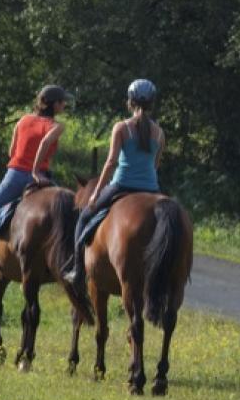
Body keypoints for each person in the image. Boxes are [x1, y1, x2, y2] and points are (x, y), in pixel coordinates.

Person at [62, 79, 165, 289]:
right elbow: (155, 165)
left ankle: (78, 271)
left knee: (84, 219)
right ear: (152, 103)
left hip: (122, 185)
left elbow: (110, 162)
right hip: (152, 189)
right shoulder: (159, 133)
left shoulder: (122, 127)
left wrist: (96, 193)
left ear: (130, 102)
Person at [0, 84, 72, 275]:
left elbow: (11, 151)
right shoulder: (56, 126)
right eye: (62, 102)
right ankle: (70, 259)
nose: (64, 105)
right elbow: (45, 142)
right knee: (67, 214)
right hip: (40, 178)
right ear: (54, 105)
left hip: (15, 176)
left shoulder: (23, 120)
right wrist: (36, 169)